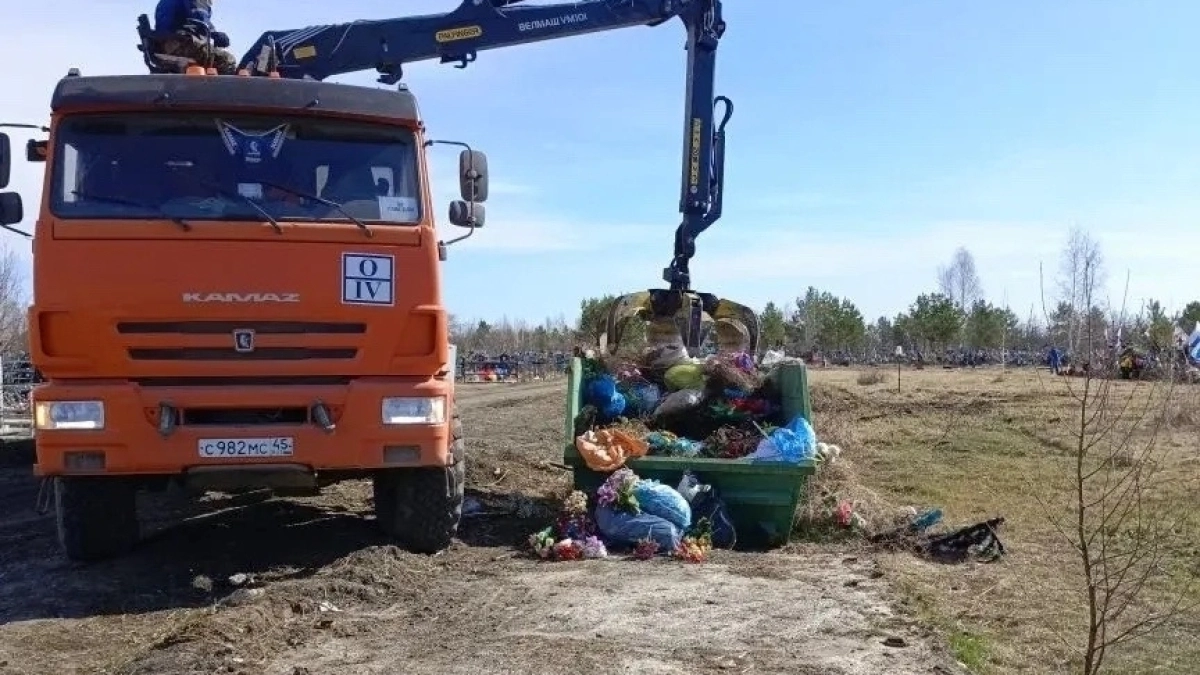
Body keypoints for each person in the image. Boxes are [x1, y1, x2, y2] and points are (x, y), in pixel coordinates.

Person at [153, 0, 238, 74]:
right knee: (228, 60)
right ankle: (219, 91)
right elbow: (200, 17)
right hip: (180, 45)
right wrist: (215, 34)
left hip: (164, 46)